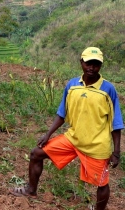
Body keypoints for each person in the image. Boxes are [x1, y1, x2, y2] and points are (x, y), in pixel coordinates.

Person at [10, 47, 124, 210]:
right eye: (88, 63)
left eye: (96, 64)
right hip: (73, 139)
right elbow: (62, 113)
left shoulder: (108, 90)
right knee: (36, 154)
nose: (91, 67)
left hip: (96, 146)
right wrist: (48, 134)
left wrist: (117, 152)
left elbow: (116, 123)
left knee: (102, 183)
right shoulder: (72, 85)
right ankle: (31, 190)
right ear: (81, 62)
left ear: (101, 66)